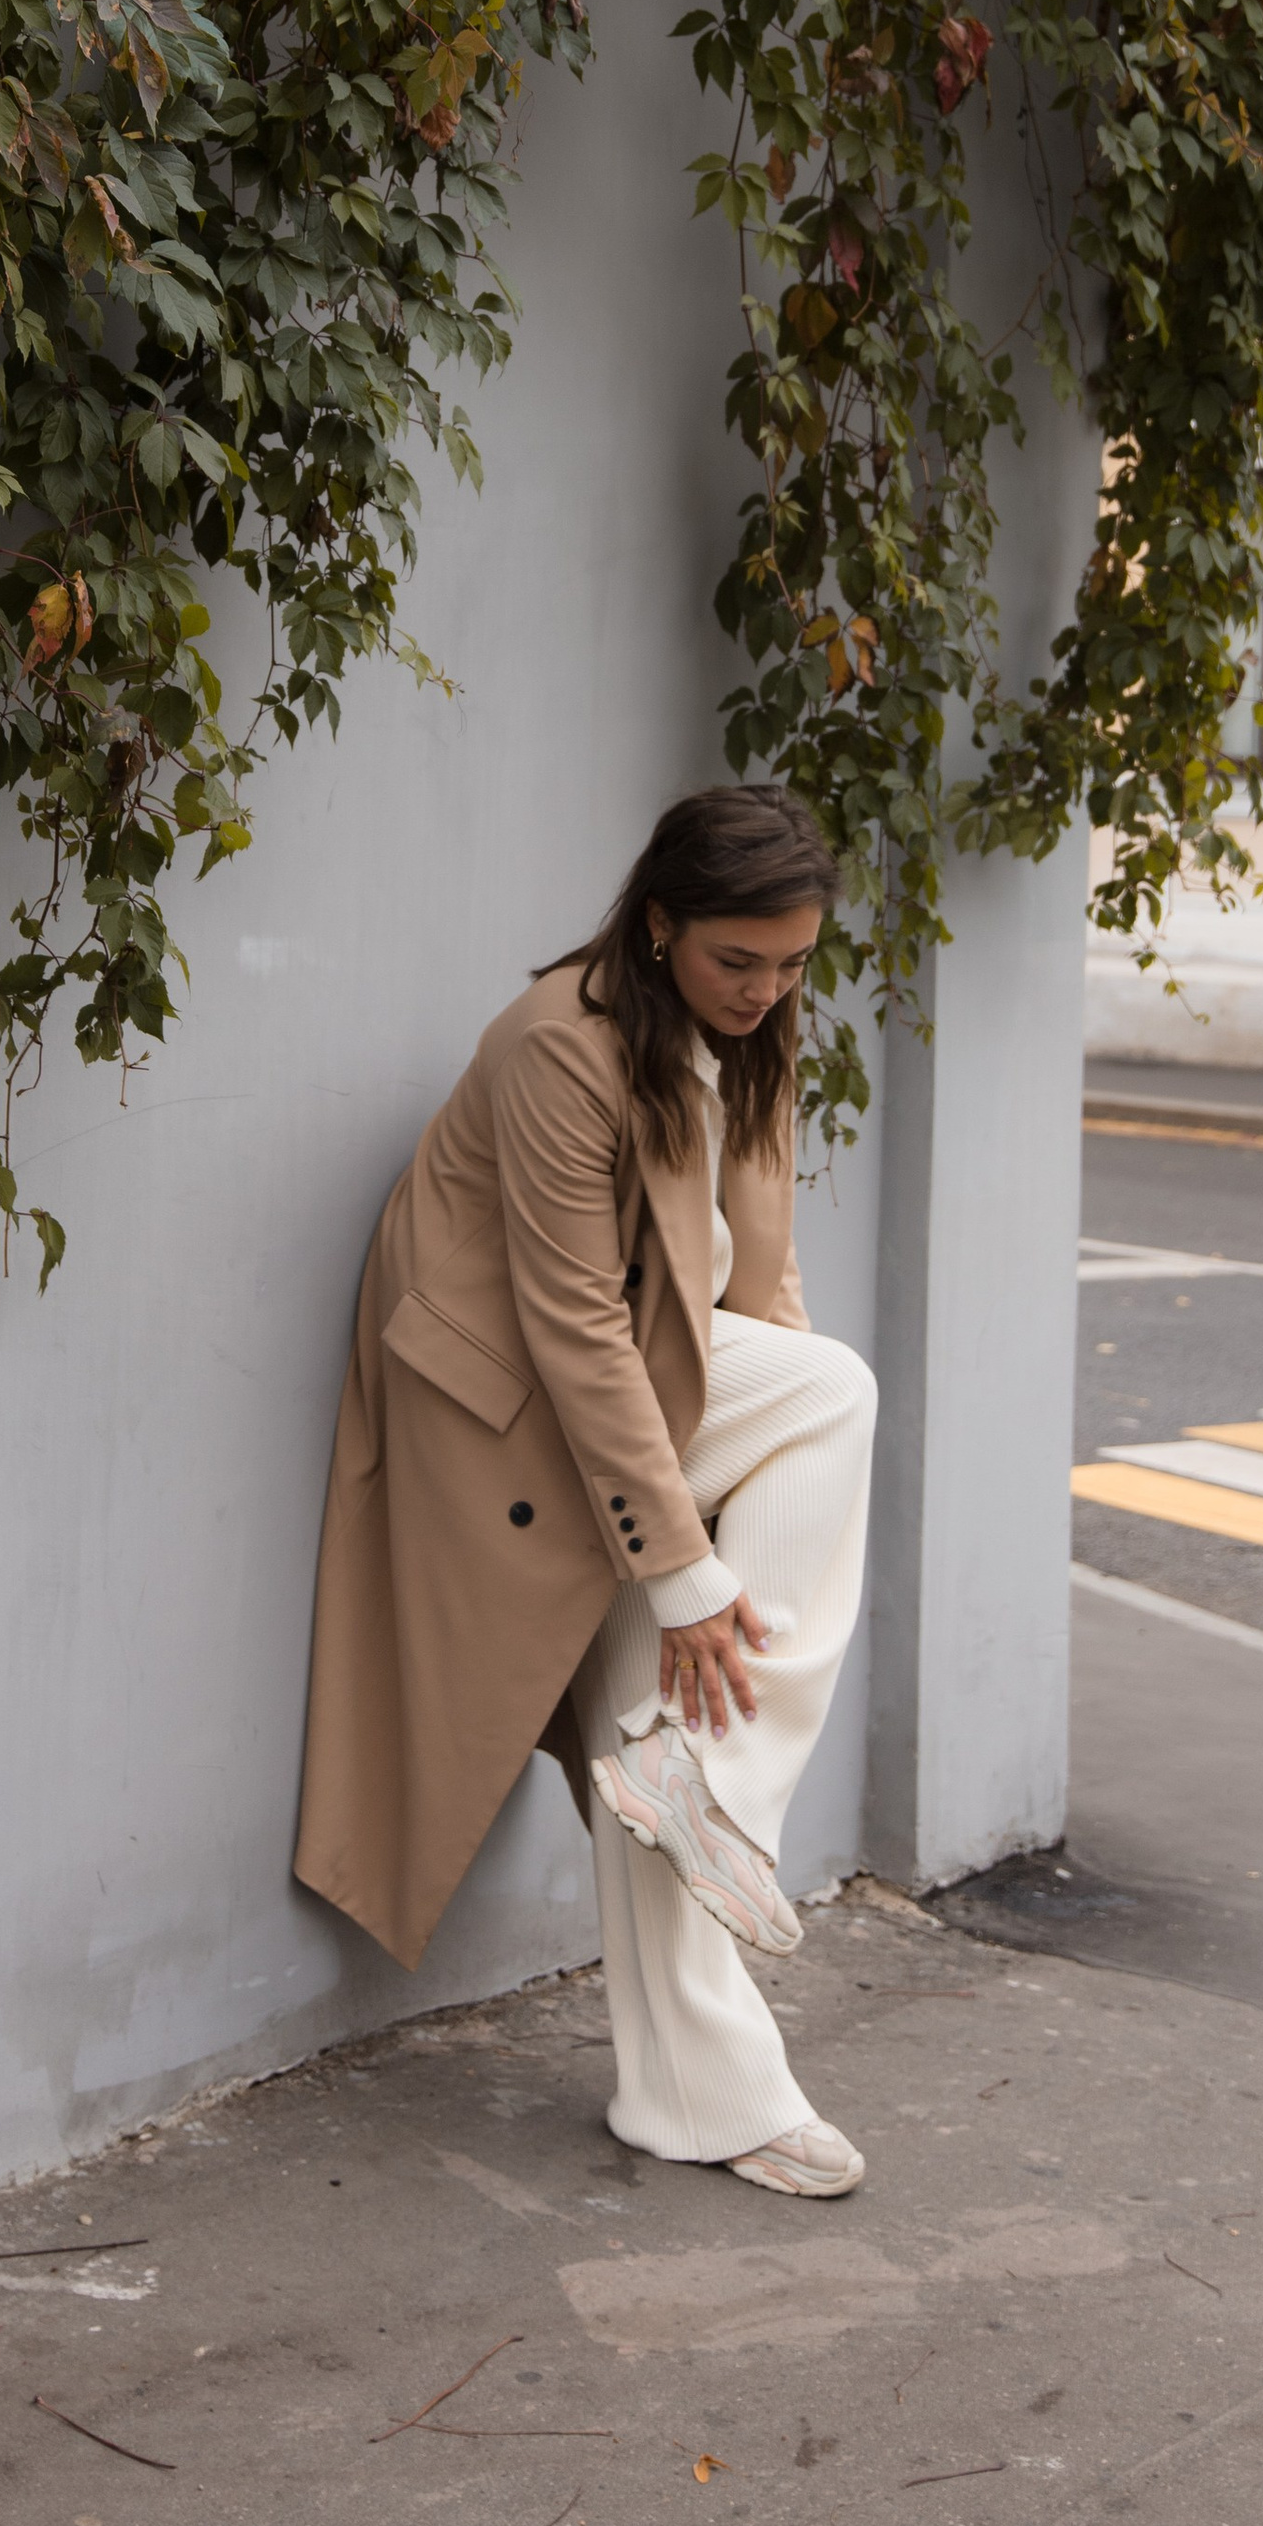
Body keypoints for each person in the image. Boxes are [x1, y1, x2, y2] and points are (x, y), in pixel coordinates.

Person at [294, 786, 878, 2200]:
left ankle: (697, 2094)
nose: (767, 989)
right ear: (661, 921)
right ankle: (721, 1796)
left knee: (650, 1720)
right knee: (836, 1391)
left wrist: (730, 1529)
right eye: (741, 960)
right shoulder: (559, 1045)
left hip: (633, 1403)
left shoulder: (752, 1035)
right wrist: (684, 1565)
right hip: (503, 1427)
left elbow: (758, 1273)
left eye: (794, 963)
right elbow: (569, 1320)